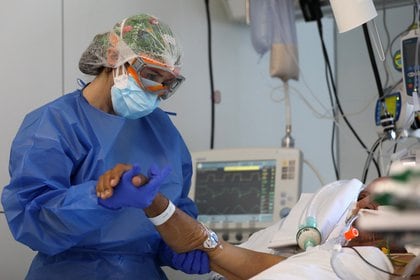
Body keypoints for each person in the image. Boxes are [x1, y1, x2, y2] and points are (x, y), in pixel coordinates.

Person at [1, 13, 210, 279]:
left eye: (167, 82)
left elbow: (176, 207)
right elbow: (33, 220)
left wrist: (177, 246)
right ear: (114, 58)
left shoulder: (162, 131)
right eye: (151, 75)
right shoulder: (53, 125)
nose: (158, 90)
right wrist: (100, 199)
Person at [97, 173, 418, 280]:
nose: (360, 206)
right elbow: (266, 263)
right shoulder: (330, 244)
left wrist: (208, 246)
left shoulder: (358, 262)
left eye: (374, 206)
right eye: (362, 198)